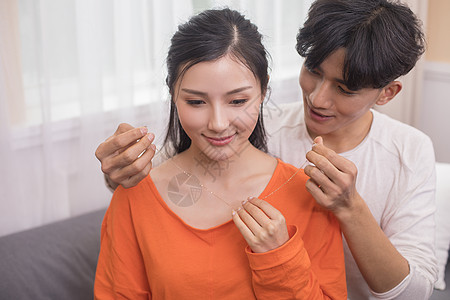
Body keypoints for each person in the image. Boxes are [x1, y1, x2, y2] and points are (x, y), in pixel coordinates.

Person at [95, 0, 438, 299]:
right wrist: (124, 178)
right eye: (313, 72)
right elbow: (163, 187)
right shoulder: (242, 127)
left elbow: (414, 291)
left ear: (387, 94)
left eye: (345, 88)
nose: (317, 98)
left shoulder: (408, 153)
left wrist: (349, 208)